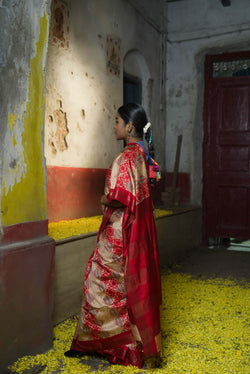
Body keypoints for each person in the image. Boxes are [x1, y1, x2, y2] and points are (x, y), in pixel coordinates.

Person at [65, 103, 162, 368]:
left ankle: (104, 343)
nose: (114, 125)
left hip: (119, 231)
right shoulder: (144, 156)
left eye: (117, 121)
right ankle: (129, 342)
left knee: (99, 282)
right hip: (135, 231)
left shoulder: (126, 158)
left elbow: (120, 197)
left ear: (129, 127)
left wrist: (104, 198)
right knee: (121, 287)